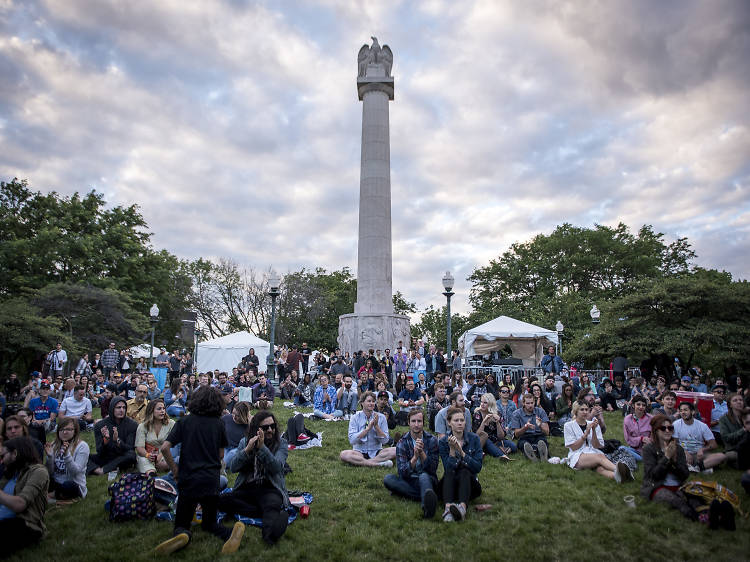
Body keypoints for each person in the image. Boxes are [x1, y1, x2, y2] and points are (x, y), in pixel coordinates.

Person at [156, 386, 245, 555]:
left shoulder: (184, 421)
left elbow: (166, 448)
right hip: (211, 479)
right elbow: (220, 454)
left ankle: (183, 534)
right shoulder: (219, 424)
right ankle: (228, 533)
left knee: (182, 522)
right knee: (210, 523)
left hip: (188, 478)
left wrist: (175, 470)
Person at [641, 414, 732, 528]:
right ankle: (703, 519)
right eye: (663, 428)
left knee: (694, 499)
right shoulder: (649, 449)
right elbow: (654, 475)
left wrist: (674, 462)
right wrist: (666, 458)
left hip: (678, 484)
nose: (668, 430)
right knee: (678, 502)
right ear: (656, 431)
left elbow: (684, 475)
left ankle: (718, 517)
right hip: (657, 486)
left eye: (671, 428)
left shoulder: (678, 448)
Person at [218, 411, 290, 546]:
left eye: (272, 426)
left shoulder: (281, 444)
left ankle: (270, 535)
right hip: (248, 487)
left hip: (270, 488)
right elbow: (233, 467)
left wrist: (262, 448)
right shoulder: (245, 442)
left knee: (271, 504)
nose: (270, 430)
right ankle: (261, 511)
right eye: (265, 427)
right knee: (221, 500)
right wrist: (247, 451)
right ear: (256, 429)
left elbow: (276, 468)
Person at [383, 409, 440, 518]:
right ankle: (426, 495)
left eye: (419, 421)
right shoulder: (402, 442)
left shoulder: (432, 440)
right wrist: (415, 457)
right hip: (410, 479)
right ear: (408, 423)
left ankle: (427, 508)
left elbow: (432, 469)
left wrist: (422, 453)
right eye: (413, 421)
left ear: (423, 422)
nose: (417, 425)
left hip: (428, 479)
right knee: (388, 479)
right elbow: (402, 472)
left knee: (423, 476)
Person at [0, 437, 49, 556]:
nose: (1, 461)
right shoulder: (10, 473)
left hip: (24, 525)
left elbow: (20, 504)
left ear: (15, 453)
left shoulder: (38, 472)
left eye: (2, 456)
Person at [564, 402, 632, 482]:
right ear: (576, 411)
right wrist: (585, 435)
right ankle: (623, 471)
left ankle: (621, 478)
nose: (585, 412)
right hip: (577, 455)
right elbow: (574, 447)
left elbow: (596, 446)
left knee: (600, 469)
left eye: (586, 409)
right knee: (600, 457)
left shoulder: (593, 424)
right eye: (582, 410)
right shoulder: (568, 425)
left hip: (592, 452)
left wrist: (594, 431)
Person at [439, 407, 483, 522]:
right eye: (456, 420)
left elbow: (477, 468)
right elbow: (447, 468)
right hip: (451, 484)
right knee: (450, 472)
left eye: (462, 420)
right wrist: (452, 451)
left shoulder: (474, 439)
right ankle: (448, 509)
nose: (459, 423)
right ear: (449, 422)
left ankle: (462, 509)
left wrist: (462, 453)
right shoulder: (443, 442)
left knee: (464, 471)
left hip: (470, 484)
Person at [340, 392, 395, 467]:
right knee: (344, 454)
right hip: (359, 452)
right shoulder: (355, 417)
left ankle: (365, 463)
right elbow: (352, 440)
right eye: (369, 401)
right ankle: (376, 464)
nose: (372, 403)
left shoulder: (381, 417)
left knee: (396, 450)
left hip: (377, 451)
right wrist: (367, 429)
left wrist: (376, 427)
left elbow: (385, 440)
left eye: (373, 401)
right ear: (362, 403)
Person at [87, 396, 138, 475]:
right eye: (118, 407)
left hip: (122, 457)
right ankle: (97, 470)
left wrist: (117, 440)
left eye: (124, 408)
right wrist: (106, 440)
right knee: (84, 456)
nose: (121, 410)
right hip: (106, 456)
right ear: (112, 408)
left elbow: (130, 448)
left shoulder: (132, 425)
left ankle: (104, 470)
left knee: (131, 455)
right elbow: (99, 451)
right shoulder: (100, 425)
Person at [673, 402, 727, 472]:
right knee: (673, 457)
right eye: (681, 410)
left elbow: (714, 445)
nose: (683, 412)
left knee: (722, 456)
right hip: (683, 454)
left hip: (699, 455)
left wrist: (702, 449)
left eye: (685, 410)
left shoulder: (702, 426)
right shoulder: (676, 424)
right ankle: (703, 467)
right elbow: (674, 443)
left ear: (692, 412)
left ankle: (697, 468)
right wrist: (685, 452)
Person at [44, 417, 89, 499]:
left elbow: (75, 472)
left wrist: (66, 455)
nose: (64, 432)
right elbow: (49, 472)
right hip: (56, 483)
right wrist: (49, 457)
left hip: (73, 484)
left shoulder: (82, 446)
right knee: (41, 476)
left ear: (75, 431)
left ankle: (49, 496)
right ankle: (55, 495)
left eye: (68, 429)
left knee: (68, 485)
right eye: (61, 429)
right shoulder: (54, 444)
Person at [135, 399, 174, 475]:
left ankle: (153, 469)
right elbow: (139, 448)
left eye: (163, 408)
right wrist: (148, 455)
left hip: (166, 453)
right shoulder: (142, 426)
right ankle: (151, 473)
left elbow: (173, 443)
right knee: (142, 459)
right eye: (159, 409)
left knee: (165, 463)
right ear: (151, 411)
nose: (162, 411)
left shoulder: (171, 424)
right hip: (148, 454)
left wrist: (160, 455)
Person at [472, 393, 514, 459]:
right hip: (483, 440)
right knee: (487, 441)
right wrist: (483, 422)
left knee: (513, 447)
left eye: (485, 403)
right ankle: (502, 455)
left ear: (490, 404)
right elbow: (477, 434)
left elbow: (501, 436)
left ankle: (496, 449)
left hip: (496, 440)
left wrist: (497, 423)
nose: (482, 404)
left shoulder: (497, 413)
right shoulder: (477, 414)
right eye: (481, 402)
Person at [509, 394, 550, 462]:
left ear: (534, 402)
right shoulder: (516, 414)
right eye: (528, 403)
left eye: (532, 403)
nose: (530, 405)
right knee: (524, 444)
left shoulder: (540, 411)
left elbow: (547, 432)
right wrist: (525, 427)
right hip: (525, 436)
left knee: (542, 441)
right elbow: (516, 434)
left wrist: (540, 425)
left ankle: (540, 453)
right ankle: (534, 453)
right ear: (523, 403)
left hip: (538, 435)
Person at [221, 401, 251, 469]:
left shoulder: (248, 425)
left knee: (229, 457)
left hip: (236, 449)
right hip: (224, 446)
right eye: (233, 413)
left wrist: (250, 423)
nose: (234, 416)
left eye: (237, 415)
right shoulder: (226, 418)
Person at [623, 395, 652, 460]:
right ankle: (639, 458)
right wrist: (641, 439)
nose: (641, 407)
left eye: (643, 405)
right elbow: (628, 438)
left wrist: (649, 441)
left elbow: (655, 436)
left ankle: (641, 458)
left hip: (648, 449)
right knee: (621, 448)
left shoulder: (651, 418)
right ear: (633, 405)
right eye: (638, 404)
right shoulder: (627, 419)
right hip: (633, 449)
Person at [720, 393, 748, 458]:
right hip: (733, 448)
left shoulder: (747, 415)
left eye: (741, 400)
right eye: (735, 400)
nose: (739, 402)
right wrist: (743, 430)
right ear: (730, 405)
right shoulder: (724, 419)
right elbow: (726, 438)